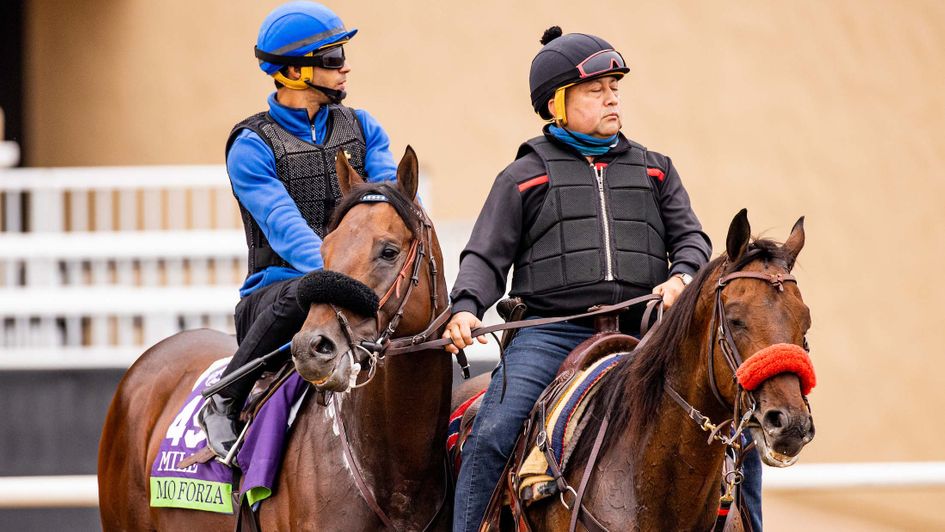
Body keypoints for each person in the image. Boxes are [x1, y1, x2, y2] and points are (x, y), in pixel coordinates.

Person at [444, 27, 721, 531]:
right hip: (550, 333)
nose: (612, 97)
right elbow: (485, 256)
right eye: (596, 90)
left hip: (647, 331)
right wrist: (465, 306)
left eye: (615, 87)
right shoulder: (521, 176)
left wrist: (683, 275)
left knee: (731, 432)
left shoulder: (657, 170)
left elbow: (693, 241)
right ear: (557, 104)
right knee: (491, 434)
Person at [198, 1, 398, 458]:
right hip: (275, 296)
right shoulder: (251, 145)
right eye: (332, 59)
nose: (345, 68)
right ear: (291, 72)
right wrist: (339, 278)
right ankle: (226, 396)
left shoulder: (364, 127)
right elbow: (285, 228)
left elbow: (392, 203)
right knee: (307, 286)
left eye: (342, 55)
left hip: (356, 285)